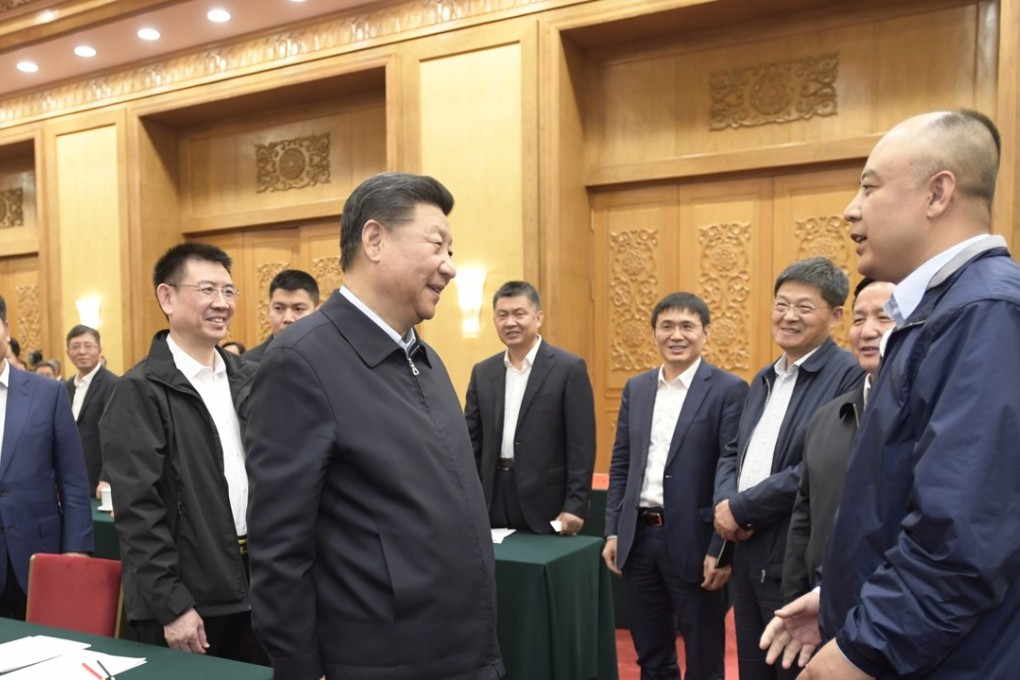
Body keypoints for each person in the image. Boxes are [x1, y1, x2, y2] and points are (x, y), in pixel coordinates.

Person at [761, 110, 1020, 679]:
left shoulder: (987, 316)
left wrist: (864, 648)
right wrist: (839, 602)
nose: (852, 208)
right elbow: (895, 500)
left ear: (938, 193)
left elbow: (961, 543)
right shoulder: (941, 313)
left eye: (870, 186)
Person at [245, 172, 503, 680]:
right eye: (438, 245)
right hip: (381, 660)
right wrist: (299, 668)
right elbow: (279, 548)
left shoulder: (424, 357)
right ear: (375, 239)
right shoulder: (302, 361)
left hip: (462, 650)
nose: (450, 268)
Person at [99, 243, 266, 664]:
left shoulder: (249, 379)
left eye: (230, 292)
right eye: (207, 289)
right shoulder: (139, 390)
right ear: (167, 297)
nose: (222, 303)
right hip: (189, 599)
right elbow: (138, 511)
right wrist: (173, 604)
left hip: (258, 584)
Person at [713, 256, 863, 680]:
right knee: (751, 666)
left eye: (804, 307)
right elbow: (733, 451)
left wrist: (743, 508)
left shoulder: (849, 376)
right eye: (781, 304)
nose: (788, 316)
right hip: (745, 548)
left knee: (789, 667)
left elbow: (817, 470)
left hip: (793, 553)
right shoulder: (767, 376)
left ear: (836, 316)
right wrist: (726, 504)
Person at [603, 292, 747, 680]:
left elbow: (731, 468)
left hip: (696, 540)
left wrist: (722, 548)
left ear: (706, 333)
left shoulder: (728, 390)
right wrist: (614, 529)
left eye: (687, 326)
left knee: (703, 654)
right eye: (667, 326)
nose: (676, 335)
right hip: (639, 539)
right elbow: (621, 464)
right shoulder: (637, 388)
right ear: (654, 334)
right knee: (651, 652)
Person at [781, 278, 894, 604]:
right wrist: (794, 597)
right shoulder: (828, 417)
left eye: (883, 318)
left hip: (888, 611)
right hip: (820, 601)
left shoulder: (929, 414)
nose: (868, 331)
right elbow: (804, 520)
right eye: (859, 319)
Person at [465, 280, 596, 535]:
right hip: (492, 495)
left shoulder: (568, 368)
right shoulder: (483, 372)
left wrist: (576, 504)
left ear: (538, 318)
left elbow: (581, 446)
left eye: (519, 314)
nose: (510, 322)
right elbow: (471, 442)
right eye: (502, 315)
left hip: (546, 500)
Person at [0, 295, 93, 620]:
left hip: (34, 553)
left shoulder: (47, 393)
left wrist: (77, 548)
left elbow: (73, 479)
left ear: (7, 330)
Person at [65, 325, 118, 498]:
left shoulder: (114, 385)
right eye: (75, 346)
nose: (81, 351)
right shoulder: (65, 387)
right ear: (68, 353)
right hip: (70, 480)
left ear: (99, 350)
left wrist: (107, 478)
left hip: (98, 482)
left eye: (88, 346)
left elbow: (116, 437)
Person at [244, 269, 319, 362]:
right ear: (269, 311)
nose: (288, 319)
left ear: (317, 314)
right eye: (279, 308)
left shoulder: (332, 357)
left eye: (298, 309)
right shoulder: (247, 364)